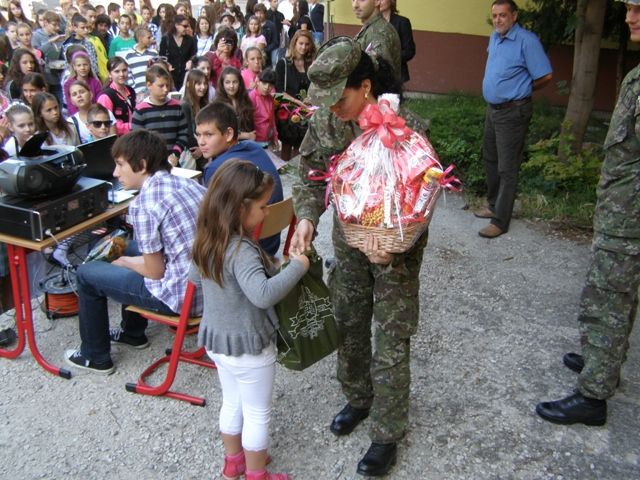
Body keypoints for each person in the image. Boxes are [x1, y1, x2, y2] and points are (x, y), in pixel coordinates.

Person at [290, 36, 423, 478]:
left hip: (394, 249)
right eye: (325, 99)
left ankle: (387, 432)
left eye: (339, 97)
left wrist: (397, 241)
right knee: (347, 319)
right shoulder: (328, 121)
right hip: (350, 240)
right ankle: (358, 398)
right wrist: (307, 217)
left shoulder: (403, 122)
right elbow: (310, 172)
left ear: (365, 86)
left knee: (391, 334)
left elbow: (425, 189)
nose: (332, 107)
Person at [535, 0, 640, 427]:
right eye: (629, 7)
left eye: (639, 8)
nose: (629, 17)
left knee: (607, 299)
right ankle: (603, 360)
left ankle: (593, 395)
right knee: (618, 298)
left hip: (630, 219)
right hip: (623, 213)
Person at [189, 159, 309, 480]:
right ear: (240, 208)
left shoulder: (206, 238)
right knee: (257, 412)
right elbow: (263, 295)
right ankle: (257, 474)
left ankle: (234, 462)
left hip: (217, 342)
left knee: (232, 402)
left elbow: (194, 278)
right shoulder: (240, 250)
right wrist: (298, 267)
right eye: (262, 206)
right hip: (249, 346)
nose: (267, 212)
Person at [65, 129, 206, 374]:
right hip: (208, 288)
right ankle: (132, 333)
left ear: (141, 165)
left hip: (184, 298)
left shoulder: (144, 204)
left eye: (120, 165)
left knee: (86, 274)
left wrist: (126, 262)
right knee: (128, 246)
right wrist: (130, 258)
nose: (115, 173)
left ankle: (94, 356)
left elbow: (154, 272)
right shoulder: (189, 184)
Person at [475, 0, 552, 238]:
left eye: (503, 15)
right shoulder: (495, 37)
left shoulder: (527, 41)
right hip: (493, 109)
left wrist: (523, 89)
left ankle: (500, 221)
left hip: (513, 111)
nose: (498, 20)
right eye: (495, 16)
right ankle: (493, 205)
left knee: (507, 167)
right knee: (490, 157)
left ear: (514, 16)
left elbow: (546, 76)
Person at [197, 102, 283, 256]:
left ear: (229, 134)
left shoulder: (216, 169)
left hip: (248, 251)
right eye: (198, 135)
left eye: (208, 135)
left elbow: (216, 221)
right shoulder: (253, 146)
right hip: (272, 242)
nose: (201, 142)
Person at [132, 64, 188, 167]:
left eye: (167, 85)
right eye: (161, 86)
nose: (166, 89)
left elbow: (183, 134)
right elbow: (138, 140)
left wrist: (175, 154)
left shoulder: (177, 107)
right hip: (151, 164)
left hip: (173, 162)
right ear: (149, 85)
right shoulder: (140, 110)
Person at [274, 29, 315, 161]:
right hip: (288, 112)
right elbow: (279, 91)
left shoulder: (311, 64)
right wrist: (297, 103)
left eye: (307, 44)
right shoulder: (284, 64)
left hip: (307, 112)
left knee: (301, 148)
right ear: (294, 43)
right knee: (286, 147)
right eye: (301, 43)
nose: (303, 47)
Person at [352, 0, 401, 82]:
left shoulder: (378, 33)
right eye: (353, 0)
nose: (355, 5)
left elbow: (381, 77)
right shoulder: (372, 27)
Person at [97, 56, 136, 136]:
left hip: (133, 135)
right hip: (117, 139)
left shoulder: (131, 90)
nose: (121, 74)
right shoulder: (106, 96)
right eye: (117, 71)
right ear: (109, 74)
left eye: (124, 70)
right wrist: (133, 126)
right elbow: (106, 123)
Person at [215, 66, 255, 141]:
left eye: (235, 82)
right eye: (227, 82)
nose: (231, 86)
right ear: (222, 84)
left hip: (245, 143)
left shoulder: (245, 100)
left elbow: (250, 128)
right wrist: (245, 135)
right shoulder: (218, 104)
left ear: (240, 83)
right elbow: (222, 134)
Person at [379, 0, 414, 84]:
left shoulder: (402, 22)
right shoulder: (371, 22)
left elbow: (409, 51)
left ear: (391, 1)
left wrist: (389, 59)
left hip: (396, 75)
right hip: (376, 75)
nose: (379, 2)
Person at [180, 68, 208, 170]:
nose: (203, 87)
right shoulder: (185, 105)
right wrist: (202, 148)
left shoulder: (204, 104)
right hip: (192, 156)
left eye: (205, 84)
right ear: (188, 84)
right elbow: (188, 135)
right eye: (198, 84)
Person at [159, 14, 196, 90]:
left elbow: (193, 55)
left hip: (185, 75)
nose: (187, 28)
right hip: (170, 75)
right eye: (184, 26)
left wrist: (191, 61)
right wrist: (166, 64)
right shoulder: (166, 39)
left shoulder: (190, 40)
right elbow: (161, 57)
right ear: (176, 25)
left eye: (188, 26)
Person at [123, 26, 157, 100]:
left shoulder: (153, 53)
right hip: (136, 93)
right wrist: (133, 89)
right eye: (148, 38)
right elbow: (128, 74)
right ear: (140, 38)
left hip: (152, 92)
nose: (151, 40)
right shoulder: (129, 55)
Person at [63, 50, 103, 115]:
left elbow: (99, 102)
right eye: (79, 65)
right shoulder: (68, 84)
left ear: (89, 65)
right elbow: (70, 105)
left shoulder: (96, 83)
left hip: (94, 114)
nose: (82, 68)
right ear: (74, 67)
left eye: (85, 65)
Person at [249, 67, 277, 149]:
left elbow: (272, 120)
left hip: (267, 139)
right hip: (255, 140)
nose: (267, 87)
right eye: (264, 83)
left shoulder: (270, 98)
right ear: (258, 81)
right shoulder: (251, 97)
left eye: (270, 85)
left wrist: (275, 137)